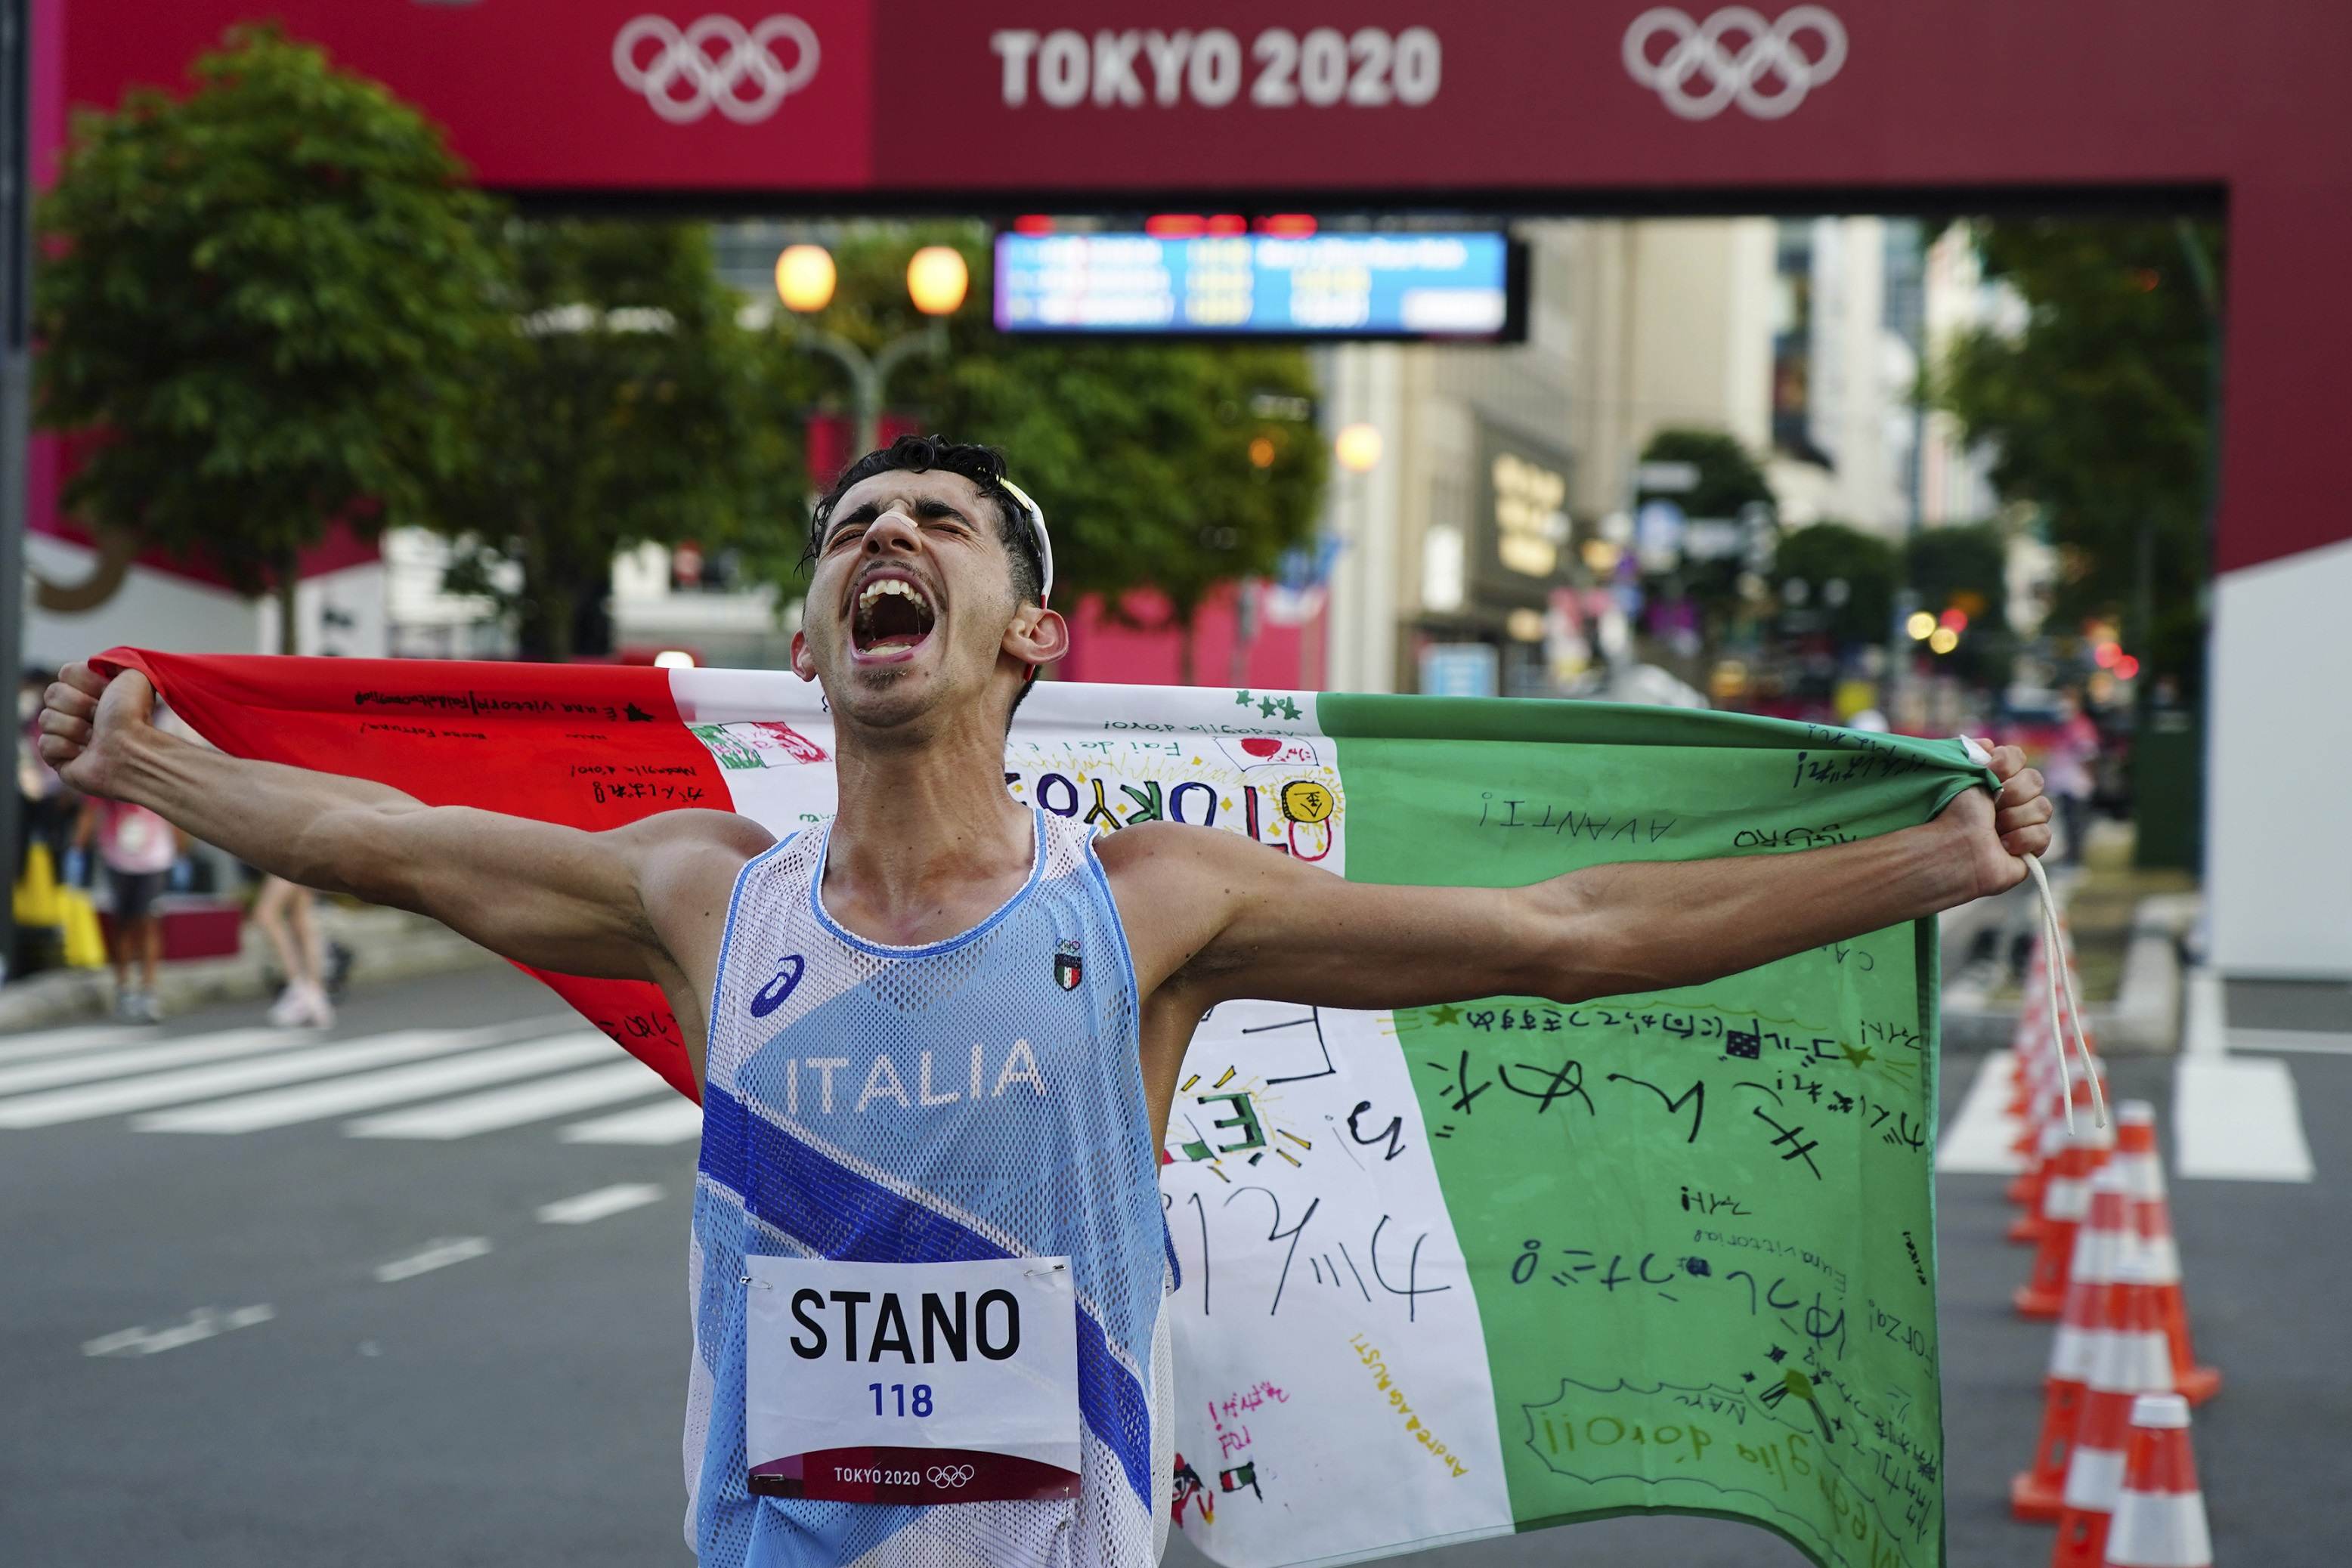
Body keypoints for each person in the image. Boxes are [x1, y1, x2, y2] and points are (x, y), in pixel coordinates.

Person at [36, 435, 2051, 1568]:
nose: (881, 540)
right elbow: (381, 835)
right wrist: (154, 770)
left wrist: (1929, 862)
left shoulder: (1154, 902)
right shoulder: (700, 893)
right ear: (818, 632)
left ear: (1028, 633)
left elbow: (1565, 933)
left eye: (937, 524)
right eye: (847, 532)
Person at [73, 794, 181, 1021]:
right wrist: (77, 850)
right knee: (122, 925)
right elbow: (90, 810)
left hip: (154, 859)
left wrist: (182, 849)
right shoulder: (107, 771)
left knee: (148, 922)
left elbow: (174, 809)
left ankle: (149, 990)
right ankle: (124, 990)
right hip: (117, 858)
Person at [252, 874, 334, 1028]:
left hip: (287, 857)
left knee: (266, 914)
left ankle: (299, 990)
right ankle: (313, 993)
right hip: (303, 856)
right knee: (300, 918)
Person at [2044, 689, 2100, 868]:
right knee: (2067, 822)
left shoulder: (2081, 727)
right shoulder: (2062, 727)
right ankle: (2070, 856)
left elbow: (2088, 755)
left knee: (2075, 822)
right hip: (2063, 782)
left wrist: (2089, 778)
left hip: (2075, 783)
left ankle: (2075, 859)